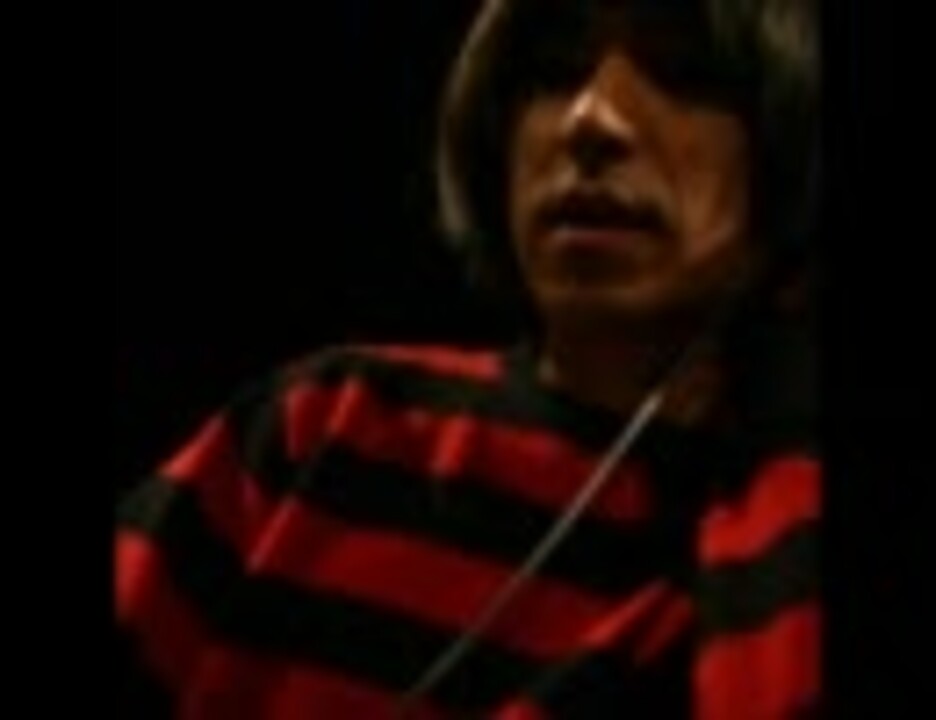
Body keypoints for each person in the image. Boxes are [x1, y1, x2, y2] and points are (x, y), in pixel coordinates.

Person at [116, 0, 819, 717]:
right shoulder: (327, 422)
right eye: (553, 76)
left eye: (684, 77)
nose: (590, 121)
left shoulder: (790, 520)